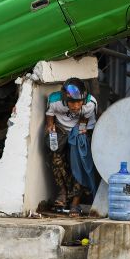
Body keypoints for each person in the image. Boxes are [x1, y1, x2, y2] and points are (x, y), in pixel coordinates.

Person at [45, 77, 97, 216]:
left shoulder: (90, 103)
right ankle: (62, 192)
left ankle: (75, 202)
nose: (75, 106)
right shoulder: (55, 101)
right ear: (65, 99)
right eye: (72, 103)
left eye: (79, 102)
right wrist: (50, 127)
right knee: (55, 158)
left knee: (78, 163)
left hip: (80, 130)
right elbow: (50, 116)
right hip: (61, 129)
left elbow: (83, 122)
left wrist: (80, 133)